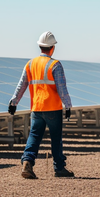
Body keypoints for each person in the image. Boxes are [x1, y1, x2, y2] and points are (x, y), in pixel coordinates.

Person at [8, 31, 74, 179]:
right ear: (52, 47)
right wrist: (68, 106)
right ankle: (59, 168)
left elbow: (21, 85)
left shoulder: (30, 64)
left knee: (34, 135)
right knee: (56, 138)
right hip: (53, 108)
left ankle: (27, 162)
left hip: (36, 108)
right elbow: (62, 89)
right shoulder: (55, 65)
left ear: (40, 46)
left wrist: (14, 102)